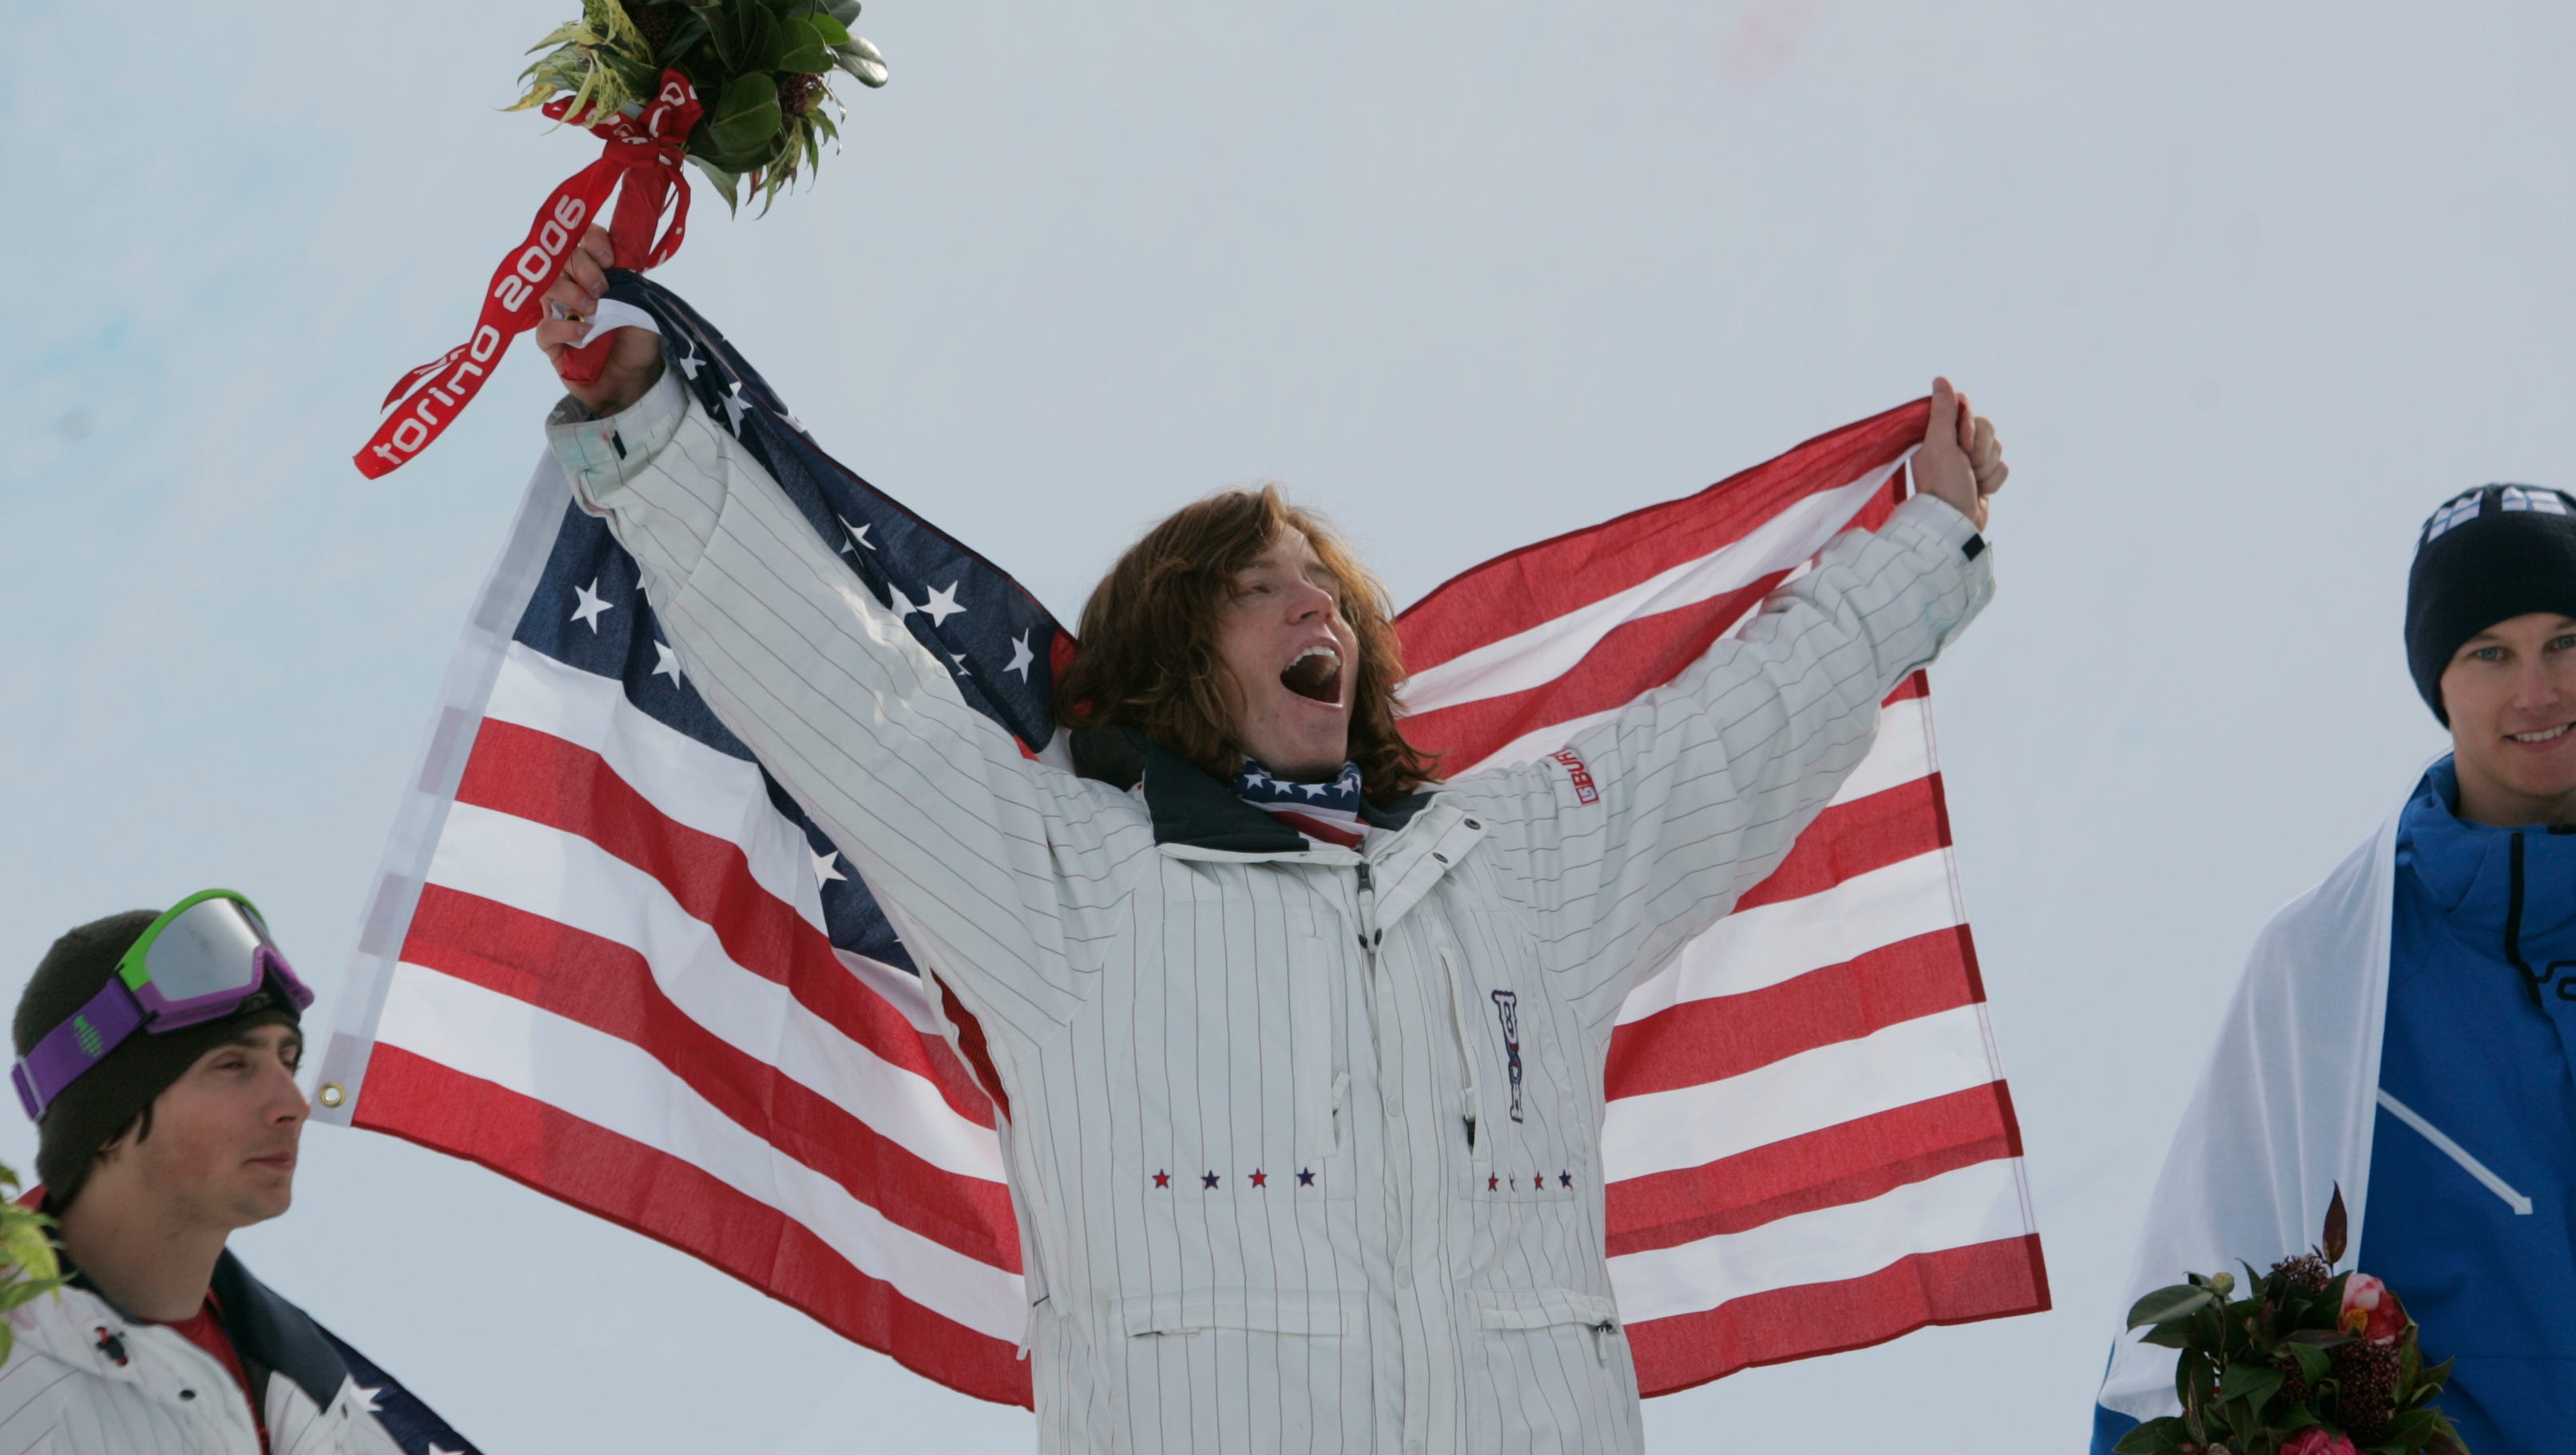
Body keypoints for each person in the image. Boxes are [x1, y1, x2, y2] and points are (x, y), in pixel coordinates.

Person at [535, 225, 2010, 1454]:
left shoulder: (1515, 873)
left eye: (1326, 588)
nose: (1316, 607)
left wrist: (1925, 544)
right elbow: (854, 704)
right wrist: (647, 437)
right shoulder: (1072, 885)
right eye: (1260, 587)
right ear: (1176, 652)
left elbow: (1727, 744)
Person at [2092, 485, 2576, 1453]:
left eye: (2567, 640)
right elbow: (2198, 1292)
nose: (2539, 690)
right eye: (2491, 652)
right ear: (2436, 681)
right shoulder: (2328, 967)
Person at [0, 896, 477, 1455]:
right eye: (232, 1066)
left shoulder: (321, 1395)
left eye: (288, 1060)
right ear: (105, 1119)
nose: (293, 1104)